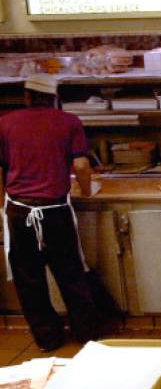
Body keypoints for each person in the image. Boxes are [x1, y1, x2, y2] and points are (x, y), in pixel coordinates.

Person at [0, 74, 101, 351]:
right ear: (54, 97)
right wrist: (86, 190)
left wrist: (4, 204)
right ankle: (87, 334)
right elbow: (81, 165)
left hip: (20, 211)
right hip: (55, 211)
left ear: (27, 96)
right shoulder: (68, 121)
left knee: (29, 279)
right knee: (70, 272)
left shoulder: (5, 123)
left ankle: (48, 338)